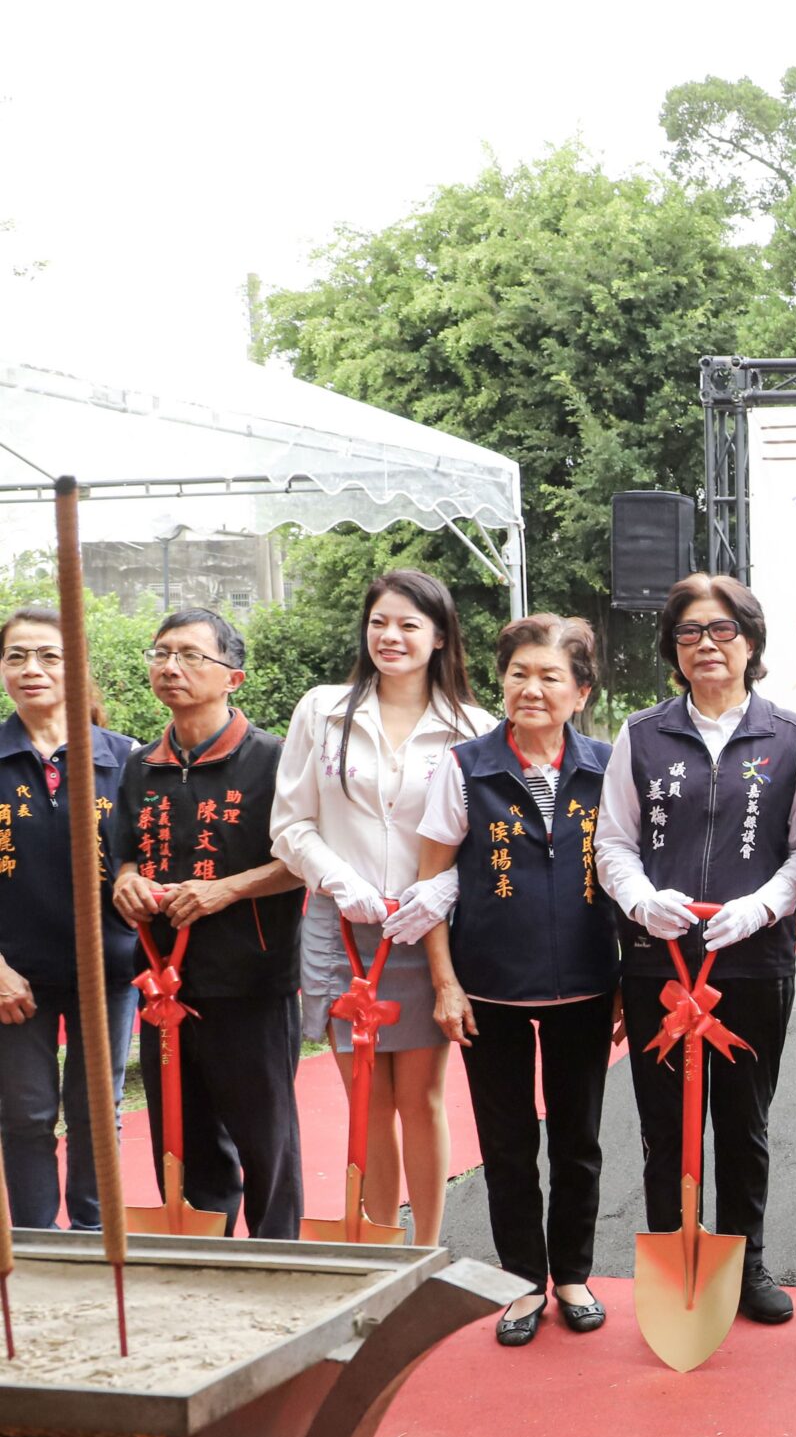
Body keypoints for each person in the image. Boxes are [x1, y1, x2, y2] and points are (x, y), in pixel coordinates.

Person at [596, 573, 796, 1327]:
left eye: (722, 630)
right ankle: (672, 1249)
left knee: (744, 1121)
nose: (706, 645)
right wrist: (638, 900)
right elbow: (614, 841)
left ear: (750, 642)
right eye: (690, 633)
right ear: (673, 649)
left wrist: (764, 906)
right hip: (661, 961)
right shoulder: (642, 734)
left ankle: (746, 1260)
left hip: (752, 961)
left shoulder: (791, 736)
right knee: (664, 1124)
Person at [414, 615, 620, 1346]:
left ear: (580, 691)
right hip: (490, 986)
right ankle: (523, 1281)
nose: (530, 689)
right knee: (505, 1144)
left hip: (588, 987)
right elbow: (431, 881)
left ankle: (573, 1273)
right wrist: (445, 981)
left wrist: (624, 979)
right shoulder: (465, 766)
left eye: (550, 676)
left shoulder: (606, 766)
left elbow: (625, 878)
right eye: (518, 675)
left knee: (578, 1140)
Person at [272, 570, 495, 1245]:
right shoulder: (323, 710)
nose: (390, 637)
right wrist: (341, 881)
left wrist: (442, 891)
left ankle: (424, 1246)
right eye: (379, 622)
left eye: (408, 625)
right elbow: (290, 823)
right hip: (341, 930)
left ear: (439, 637)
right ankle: (377, 1243)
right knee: (365, 1099)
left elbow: (486, 840)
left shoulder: (473, 727)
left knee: (421, 1100)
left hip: (430, 938)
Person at [108, 608, 306, 1237]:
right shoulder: (140, 766)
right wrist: (127, 881)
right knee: (183, 1141)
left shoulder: (275, 760)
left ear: (234, 678)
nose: (171, 667)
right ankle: (209, 1261)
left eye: (192, 655)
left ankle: (281, 1264)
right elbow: (125, 853)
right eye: (161, 653)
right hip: (165, 984)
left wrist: (226, 890)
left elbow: (305, 861)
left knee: (265, 1142)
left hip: (252, 981)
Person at [0, 606, 140, 1230]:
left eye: (49, 656)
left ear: (77, 666)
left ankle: (93, 1233)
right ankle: (33, 1243)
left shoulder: (127, 760)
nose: (32, 669)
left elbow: (147, 859)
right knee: (25, 1113)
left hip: (106, 971)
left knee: (95, 1109)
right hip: (14, 977)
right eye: (16, 656)